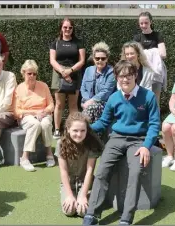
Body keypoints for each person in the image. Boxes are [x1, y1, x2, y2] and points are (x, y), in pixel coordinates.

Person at [82, 60, 160, 225]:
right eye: (122, 76)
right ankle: (92, 214)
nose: (125, 79)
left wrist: (146, 146)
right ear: (117, 77)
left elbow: (154, 125)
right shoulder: (113, 98)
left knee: (135, 172)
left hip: (138, 140)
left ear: (135, 76)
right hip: (116, 138)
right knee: (102, 171)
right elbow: (103, 122)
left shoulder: (149, 96)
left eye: (129, 75)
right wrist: (85, 130)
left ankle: (126, 218)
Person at [55, 112, 103, 217]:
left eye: (82, 131)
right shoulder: (61, 144)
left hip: (86, 182)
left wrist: (83, 195)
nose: (79, 134)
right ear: (68, 129)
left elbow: (90, 171)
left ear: (87, 130)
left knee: (82, 211)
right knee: (69, 210)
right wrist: (69, 195)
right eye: (75, 130)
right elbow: (63, 171)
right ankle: (70, 194)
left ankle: (88, 195)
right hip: (69, 182)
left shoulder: (91, 144)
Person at [13, 60, 56, 172]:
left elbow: (51, 104)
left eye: (34, 73)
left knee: (46, 123)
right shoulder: (19, 88)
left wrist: (44, 112)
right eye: (29, 73)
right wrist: (33, 113)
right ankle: (24, 158)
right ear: (23, 74)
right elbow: (17, 111)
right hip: (27, 115)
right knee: (35, 124)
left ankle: (49, 153)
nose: (32, 76)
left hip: (43, 113)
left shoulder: (43, 86)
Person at [49, 17, 86, 139]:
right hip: (58, 74)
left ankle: (73, 129)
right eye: (65, 27)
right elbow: (52, 60)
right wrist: (62, 72)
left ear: (73, 29)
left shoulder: (78, 42)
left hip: (74, 73)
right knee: (59, 104)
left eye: (70, 27)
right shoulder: (55, 43)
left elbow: (82, 61)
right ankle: (57, 130)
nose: (67, 29)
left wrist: (70, 71)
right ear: (61, 28)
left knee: (73, 105)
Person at [133, 11, 167, 104]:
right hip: (140, 72)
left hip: (156, 73)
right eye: (141, 23)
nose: (144, 25)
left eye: (146, 23)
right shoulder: (137, 38)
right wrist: (154, 51)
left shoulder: (158, 35)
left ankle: (155, 119)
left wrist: (144, 53)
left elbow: (163, 54)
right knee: (140, 99)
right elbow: (134, 54)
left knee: (155, 101)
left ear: (151, 22)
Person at [80, 41, 116, 123]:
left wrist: (91, 102)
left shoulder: (111, 72)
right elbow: (83, 88)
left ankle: (84, 129)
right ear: (93, 58)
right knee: (91, 109)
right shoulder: (88, 70)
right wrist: (87, 101)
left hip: (104, 103)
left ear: (107, 59)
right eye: (97, 58)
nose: (100, 61)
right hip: (87, 102)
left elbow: (106, 91)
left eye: (103, 58)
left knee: (90, 110)